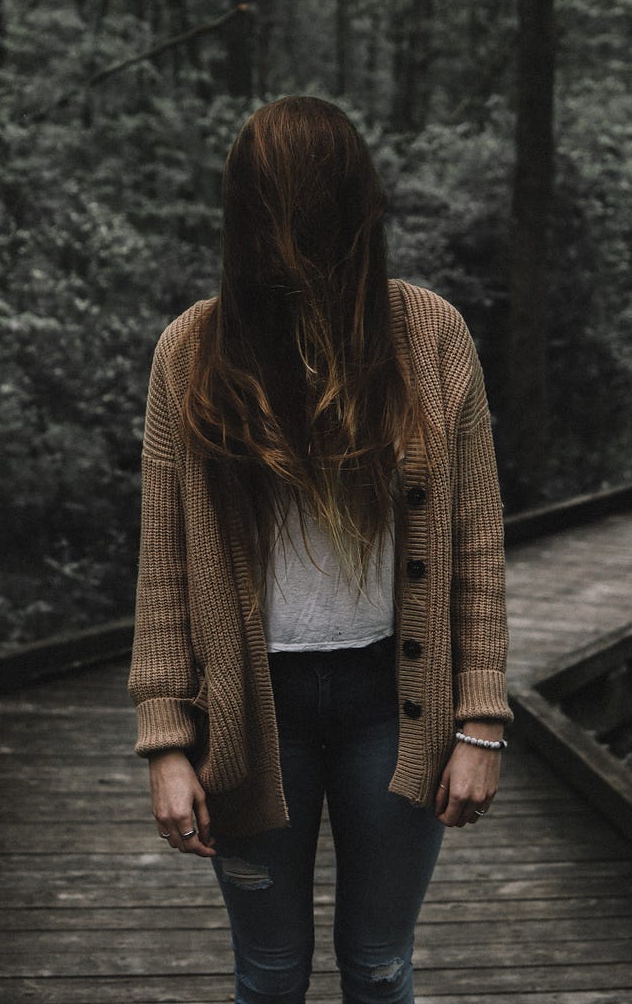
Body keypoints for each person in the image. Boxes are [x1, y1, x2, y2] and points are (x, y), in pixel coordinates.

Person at [128, 95, 512, 1004]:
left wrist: (481, 722)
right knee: (268, 975)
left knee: (379, 965)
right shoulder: (191, 352)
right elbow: (165, 561)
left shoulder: (432, 336)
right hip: (251, 710)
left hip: (396, 703)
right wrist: (166, 743)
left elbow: (476, 538)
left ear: (352, 210)